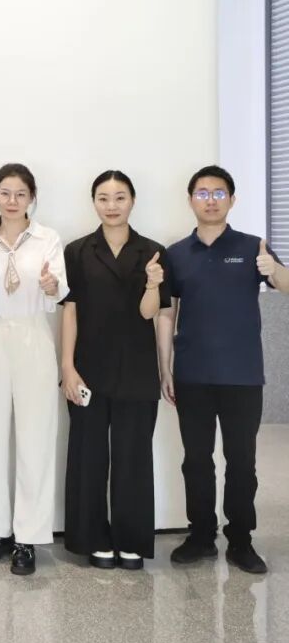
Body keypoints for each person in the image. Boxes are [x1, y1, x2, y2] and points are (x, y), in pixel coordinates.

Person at [159, 165, 288, 574]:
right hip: (192, 374)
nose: (210, 200)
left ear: (232, 199)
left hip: (242, 375)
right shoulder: (176, 253)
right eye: (202, 193)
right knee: (197, 460)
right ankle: (200, 536)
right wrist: (165, 367)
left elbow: (286, 285)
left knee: (241, 462)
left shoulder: (253, 247)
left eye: (218, 193)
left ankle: (241, 540)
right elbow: (166, 313)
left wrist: (274, 271)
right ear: (191, 200)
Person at [60, 171, 168, 571]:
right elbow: (70, 311)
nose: (111, 205)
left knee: (133, 456)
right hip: (89, 366)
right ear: (94, 203)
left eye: (120, 197)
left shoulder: (152, 252)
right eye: (103, 198)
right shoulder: (77, 251)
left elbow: (149, 314)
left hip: (137, 367)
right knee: (88, 456)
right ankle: (93, 539)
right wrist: (67, 367)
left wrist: (153, 284)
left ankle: (131, 540)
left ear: (132, 201)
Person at [0, 163, 68, 576]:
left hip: (32, 334)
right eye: (5, 193)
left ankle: (27, 536)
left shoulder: (48, 239)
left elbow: (59, 288)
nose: (12, 201)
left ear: (32, 198)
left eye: (20, 194)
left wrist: (51, 286)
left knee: (35, 439)